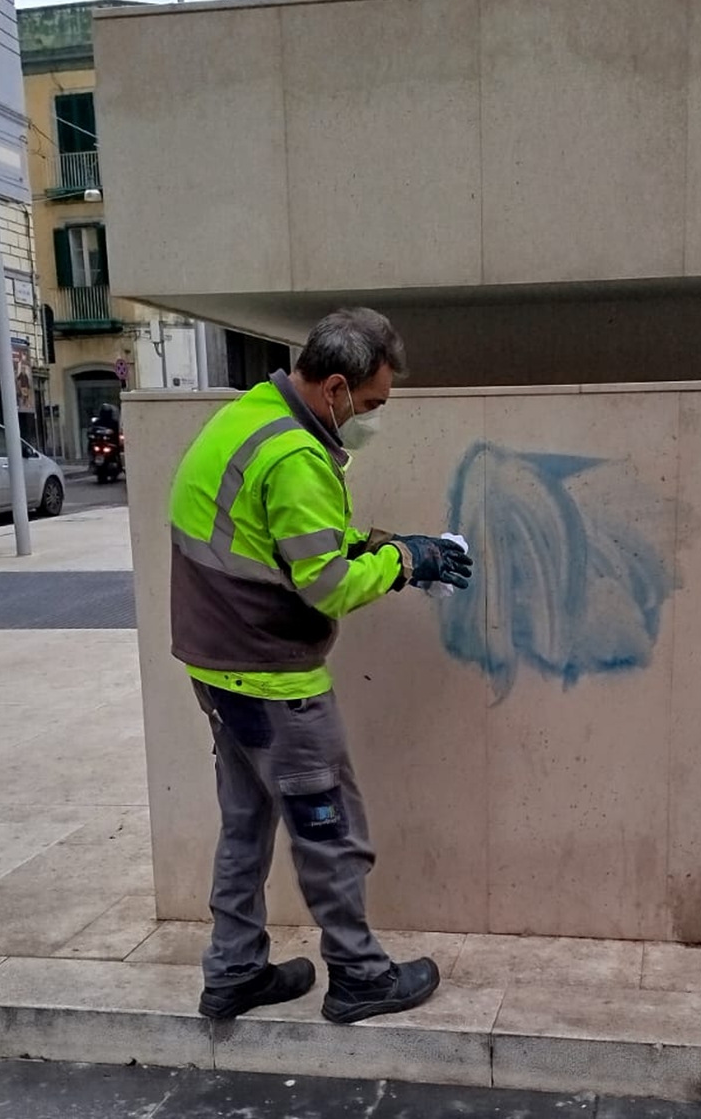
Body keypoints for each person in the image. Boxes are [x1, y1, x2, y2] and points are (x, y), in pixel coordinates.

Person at [168, 307, 472, 1025]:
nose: (372, 418)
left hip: (220, 671)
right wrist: (404, 562)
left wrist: (375, 544)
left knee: (246, 824)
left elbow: (282, 540)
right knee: (329, 828)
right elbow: (328, 586)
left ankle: (234, 972)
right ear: (335, 387)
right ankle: (360, 976)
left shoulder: (253, 415)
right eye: (371, 403)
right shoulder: (296, 458)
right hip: (274, 681)